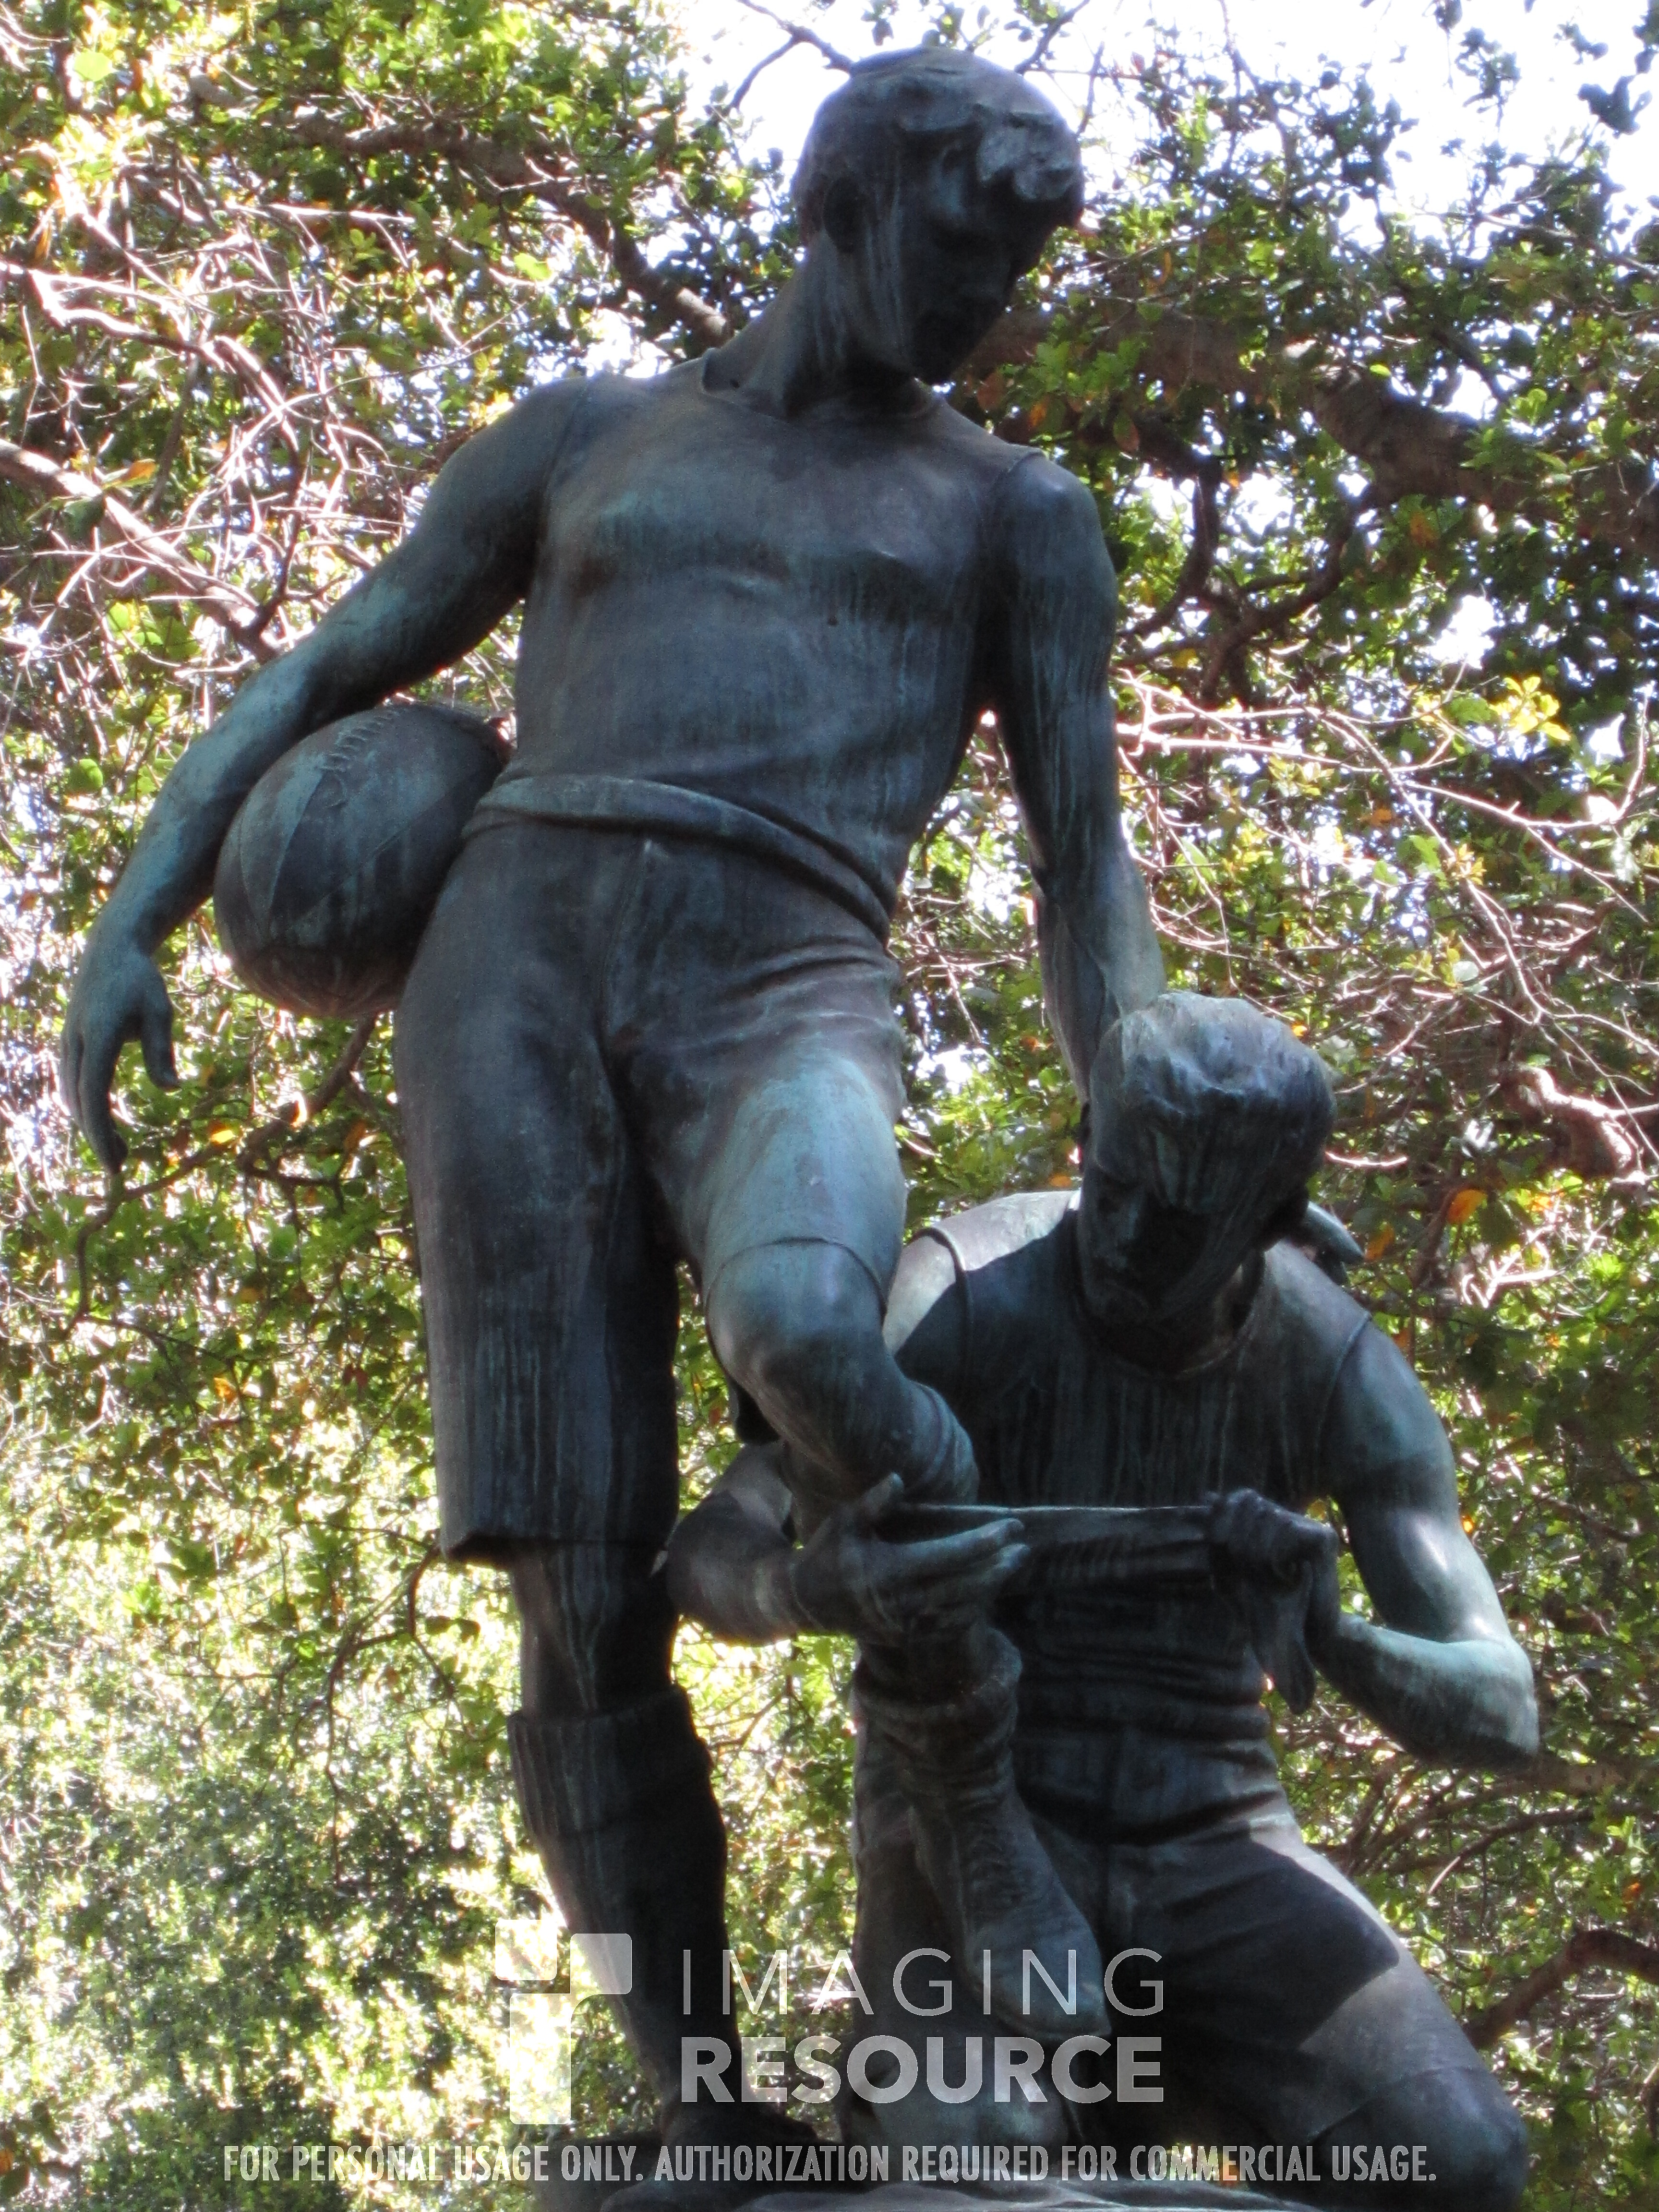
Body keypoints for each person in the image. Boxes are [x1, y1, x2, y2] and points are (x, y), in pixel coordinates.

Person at [56, 45, 1163, 2155]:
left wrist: (1162, 1139)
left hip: (788, 963)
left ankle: (965, 1751)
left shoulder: (1015, 514)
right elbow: (329, 668)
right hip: (516, 963)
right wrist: (134, 913)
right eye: (953, 255)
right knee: (577, 1594)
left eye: (1009, 277)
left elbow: (1083, 865)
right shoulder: (588, 436)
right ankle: (697, 2100)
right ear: (836, 206)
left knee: (817, 1332)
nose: (981, 310)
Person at [667, 994, 1536, 2210]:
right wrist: (806, 1587)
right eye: (1109, 1183)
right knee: (978, 2160)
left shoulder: (1337, 1368)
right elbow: (708, 1548)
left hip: (1218, 1838)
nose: (1122, 1237)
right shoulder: (954, 1296)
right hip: (962, 1823)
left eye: (1175, 1224)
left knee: (1467, 2169)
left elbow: (1503, 1712)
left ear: (1271, 1224)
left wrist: (1334, 1635)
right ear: (1086, 1138)